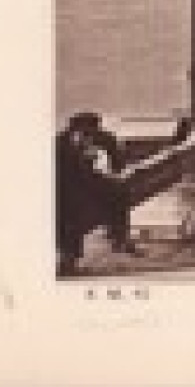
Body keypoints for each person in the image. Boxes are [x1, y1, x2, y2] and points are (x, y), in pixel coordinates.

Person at [55, 112, 135, 275]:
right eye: (88, 133)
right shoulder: (63, 145)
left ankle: (119, 238)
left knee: (119, 192)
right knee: (72, 214)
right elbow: (77, 174)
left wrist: (111, 172)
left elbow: (114, 158)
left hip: (80, 184)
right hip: (68, 189)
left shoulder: (99, 138)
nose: (91, 137)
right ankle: (68, 261)